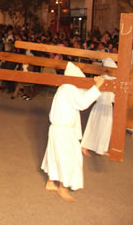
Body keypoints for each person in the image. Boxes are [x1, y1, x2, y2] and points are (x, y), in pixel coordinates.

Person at [41, 62, 105, 202]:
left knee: (55, 154)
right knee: (69, 158)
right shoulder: (69, 89)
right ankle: (62, 188)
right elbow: (82, 103)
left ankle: (50, 182)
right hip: (63, 131)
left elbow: (80, 96)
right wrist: (97, 86)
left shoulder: (64, 88)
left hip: (57, 129)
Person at [81, 58, 117, 156]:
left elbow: (112, 96)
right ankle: (84, 146)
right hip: (101, 107)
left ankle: (102, 148)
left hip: (108, 108)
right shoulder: (102, 80)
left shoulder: (111, 80)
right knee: (94, 127)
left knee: (105, 129)